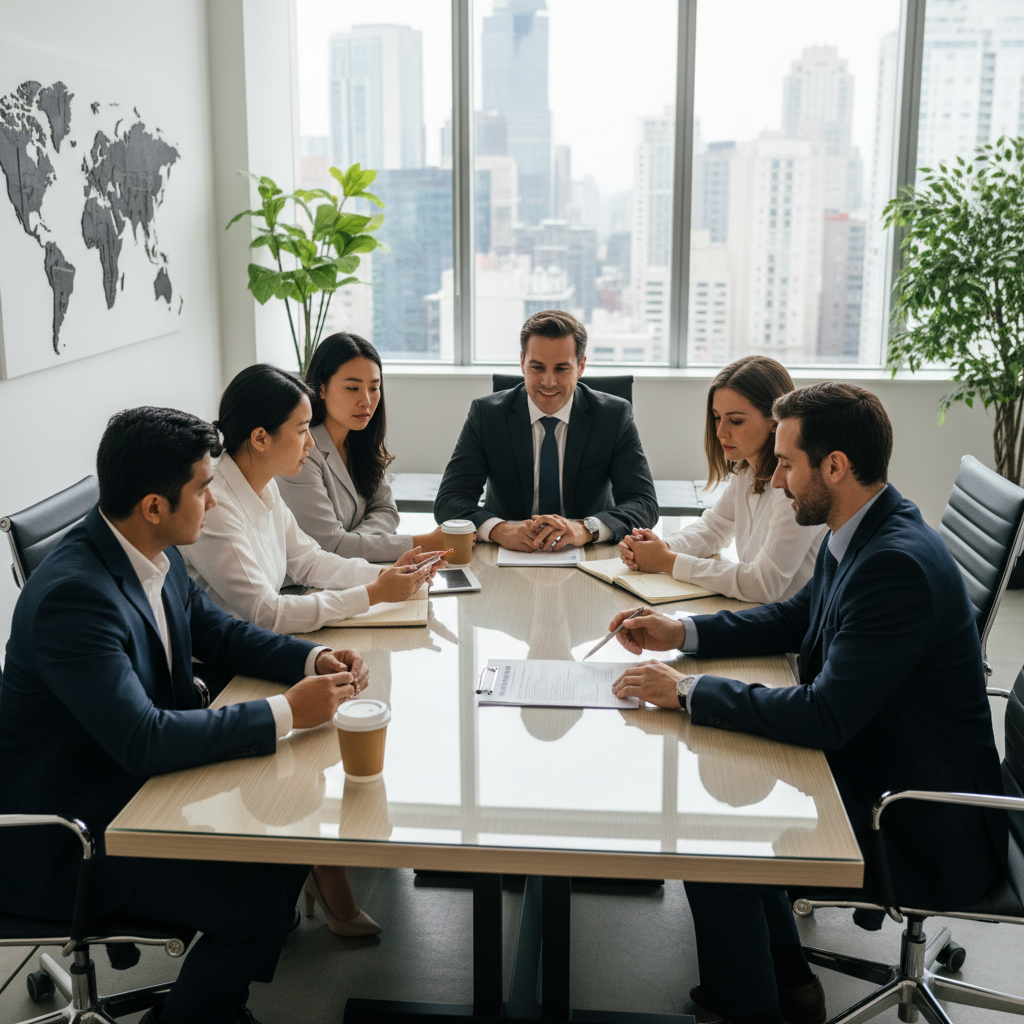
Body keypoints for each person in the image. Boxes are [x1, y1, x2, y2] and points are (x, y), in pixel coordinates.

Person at [609, 382, 1007, 1024]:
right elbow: (798, 617)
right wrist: (682, 631)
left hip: (917, 820)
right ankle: (790, 985)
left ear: (835, 466)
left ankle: (752, 1008)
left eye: (788, 463)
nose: (778, 478)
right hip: (883, 763)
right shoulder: (865, 525)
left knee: (716, 846)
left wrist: (686, 690)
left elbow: (825, 714)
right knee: (724, 815)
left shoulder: (894, 564)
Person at [0, 406, 368, 1024]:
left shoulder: (150, 550)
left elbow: (219, 633)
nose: (215, 503)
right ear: (153, 505)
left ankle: (211, 1005)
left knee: (288, 845)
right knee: (254, 909)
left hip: (140, 793)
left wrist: (314, 661)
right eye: (204, 488)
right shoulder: (74, 598)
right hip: (74, 836)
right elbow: (143, 739)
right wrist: (287, 712)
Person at [181, 363, 439, 635]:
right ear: (260, 438)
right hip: (226, 668)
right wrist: (372, 594)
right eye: (302, 430)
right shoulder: (215, 506)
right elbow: (268, 613)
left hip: (263, 647)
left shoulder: (265, 485)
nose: (311, 444)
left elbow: (310, 561)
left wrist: (383, 576)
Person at [433, 309, 659, 551]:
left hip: (588, 552)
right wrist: (500, 530)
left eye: (561, 368)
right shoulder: (487, 415)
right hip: (506, 553)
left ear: (581, 366)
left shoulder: (613, 416)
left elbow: (643, 503)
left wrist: (587, 529)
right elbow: (449, 501)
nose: (548, 382)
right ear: (522, 363)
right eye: (537, 367)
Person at [619, 356, 826, 604]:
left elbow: (763, 584)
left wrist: (667, 560)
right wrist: (660, 547)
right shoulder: (747, 472)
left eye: (736, 421)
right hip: (757, 615)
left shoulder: (795, 487)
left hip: (794, 631)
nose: (720, 432)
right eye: (717, 417)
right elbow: (714, 528)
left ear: (774, 421)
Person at [277, 332, 447, 560]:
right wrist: (422, 543)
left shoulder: (360, 440)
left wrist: (351, 542)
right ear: (321, 389)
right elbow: (329, 548)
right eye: (353, 388)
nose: (366, 401)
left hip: (354, 572)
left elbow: (387, 511)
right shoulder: (302, 454)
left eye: (374, 388)